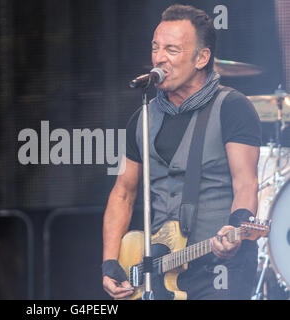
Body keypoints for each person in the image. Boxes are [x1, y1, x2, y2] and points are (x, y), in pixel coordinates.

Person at [102, 4, 261, 300]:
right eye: (155, 48)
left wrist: (237, 228)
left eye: (172, 50)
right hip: (161, 269)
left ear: (202, 58)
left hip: (218, 266)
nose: (159, 58)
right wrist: (111, 262)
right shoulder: (143, 118)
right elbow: (122, 192)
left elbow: (246, 182)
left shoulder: (232, 107)